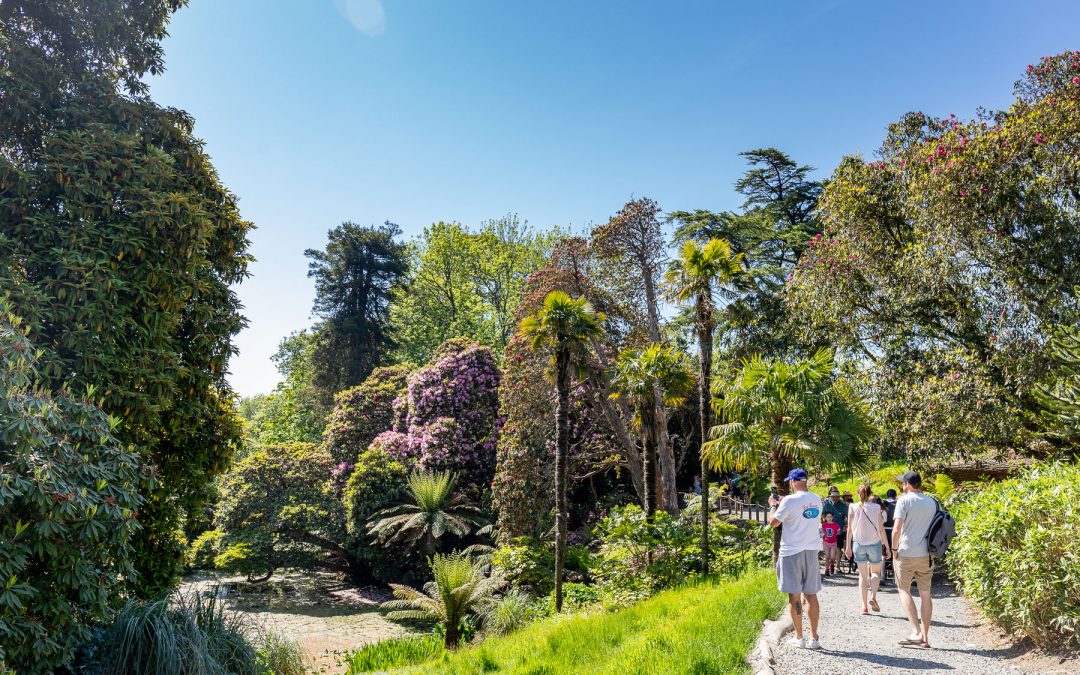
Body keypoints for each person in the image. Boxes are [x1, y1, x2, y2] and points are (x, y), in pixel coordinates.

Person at [768, 468, 823, 650]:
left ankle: (799, 637)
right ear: (805, 481)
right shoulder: (816, 499)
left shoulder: (789, 501)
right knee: (811, 595)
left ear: (792, 482)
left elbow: (773, 522)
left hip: (791, 552)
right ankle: (814, 638)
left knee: (794, 595)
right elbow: (804, 513)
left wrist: (773, 505)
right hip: (811, 551)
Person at [892, 470, 938, 649]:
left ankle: (915, 631)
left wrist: (894, 549)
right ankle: (925, 637)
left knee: (904, 589)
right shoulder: (933, 502)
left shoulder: (904, 500)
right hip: (926, 554)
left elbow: (896, 529)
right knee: (925, 593)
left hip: (906, 552)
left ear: (906, 484)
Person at [845, 483, 891, 614]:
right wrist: (887, 547)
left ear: (857, 493)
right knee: (876, 573)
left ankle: (864, 607)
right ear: (870, 493)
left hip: (858, 544)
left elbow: (849, 529)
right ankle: (873, 596)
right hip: (874, 544)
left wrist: (847, 547)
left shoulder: (852, 507)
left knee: (862, 576)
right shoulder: (876, 507)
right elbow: (881, 530)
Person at [822, 487, 848, 571]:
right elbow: (822, 515)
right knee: (829, 550)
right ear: (831, 497)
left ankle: (837, 566)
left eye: (836, 496)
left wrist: (846, 525)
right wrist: (824, 524)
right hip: (828, 531)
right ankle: (830, 564)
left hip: (839, 530)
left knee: (838, 548)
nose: (835, 498)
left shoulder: (843, 505)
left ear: (839, 497)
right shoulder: (827, 504)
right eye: (833, 496)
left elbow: (848, 517)